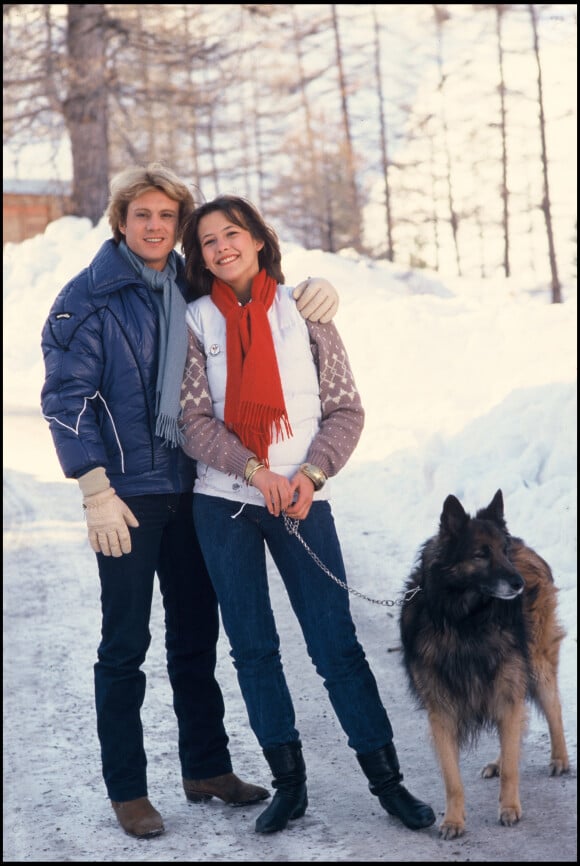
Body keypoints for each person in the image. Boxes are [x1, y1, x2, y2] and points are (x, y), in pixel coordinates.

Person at [39, 163, 340, 840]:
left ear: (179, 226)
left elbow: (254, 301)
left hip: (192, 487)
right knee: (124, 644)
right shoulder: (86, 299)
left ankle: (205, 767)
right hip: (125, 498)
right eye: (141, 215)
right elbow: (64, 402)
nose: (154, 227)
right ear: (121, 222)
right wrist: (93, 489)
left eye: (167, 217)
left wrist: (317, 292)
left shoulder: (190, 284)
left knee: (195, 637)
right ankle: (128, 789)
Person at [178, 194, 436, 835]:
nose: (221, 247)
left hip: (301, 502)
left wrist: (310, 475)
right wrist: (254, 471)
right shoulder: (194, 321)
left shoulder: (308, 313)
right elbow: (191, 420)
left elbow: (346, 410)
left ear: (259, 239)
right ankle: (288, 786)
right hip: (223, 503)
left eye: (231, 233)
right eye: (207, 241)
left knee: (335, 645)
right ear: (200, 256)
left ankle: (389, 784)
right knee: (254, 650)